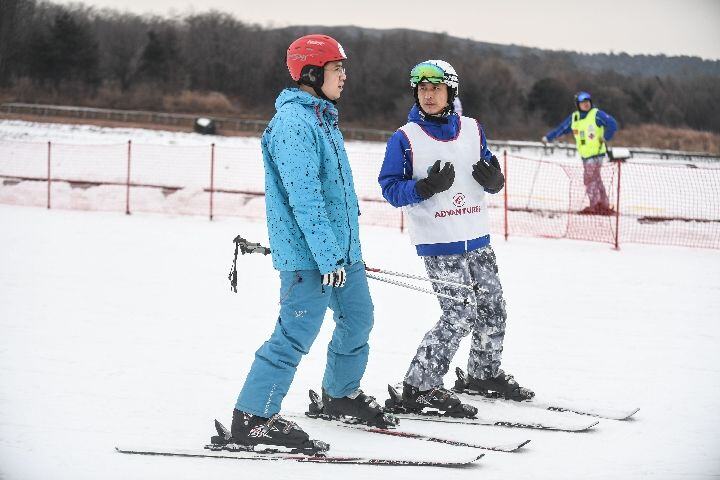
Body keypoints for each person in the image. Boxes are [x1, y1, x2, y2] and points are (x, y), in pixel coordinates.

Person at [229, 34, 393, 454]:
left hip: (341, 254)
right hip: (310, 257)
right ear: (313, 73)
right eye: (338, 70)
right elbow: (305, 198)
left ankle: (339, 396)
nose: (345, 78)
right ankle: (254, 417)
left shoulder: (323, 118)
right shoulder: (292, 125)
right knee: (295, 332)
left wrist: (343, 253)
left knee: (358, 319)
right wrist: (326, 255)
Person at [378, 60, 534, 416]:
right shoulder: (405, 138)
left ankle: (482, 374)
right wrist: (424, 187)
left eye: (435, 88)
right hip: (440, 240)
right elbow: (390, 188)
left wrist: (495, 180)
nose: (428, 95)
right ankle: (419, 386)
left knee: (493, 308)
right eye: (422, 89)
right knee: (460, 314)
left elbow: (488, 164)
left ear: (451, 91)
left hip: (477, 236)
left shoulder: (472, 129)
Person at [542, 91, 619, 215]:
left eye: (587, 102)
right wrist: (549, 137)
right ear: (578, 105)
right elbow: (562, 128)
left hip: (597, 153)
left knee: (589, 179)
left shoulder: (596, 114)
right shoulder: (575, 117)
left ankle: (595, 205)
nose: (586, 105)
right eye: (582, 103)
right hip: (585, 154)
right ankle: (603, 204)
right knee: (595, 179)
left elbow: (612, 124)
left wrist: (606, 136)